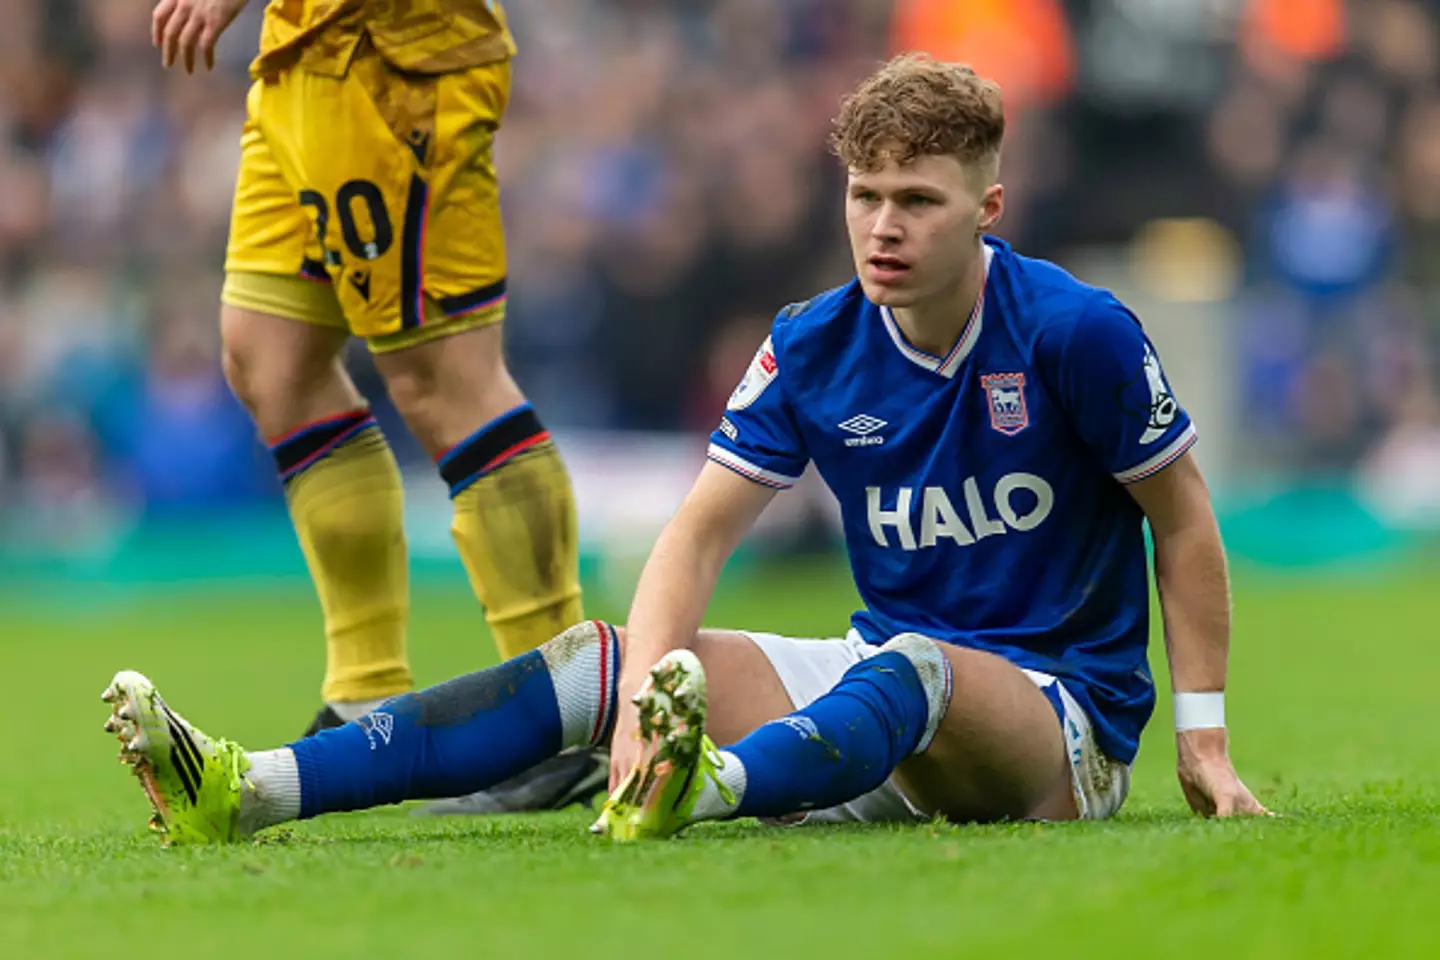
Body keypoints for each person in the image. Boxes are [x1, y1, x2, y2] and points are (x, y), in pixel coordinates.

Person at [101, 54, 1267, 846]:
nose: (883, 226)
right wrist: (640, 695)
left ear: (989, 207)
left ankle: (709, 787)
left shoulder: (1077, 332)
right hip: (871, 689)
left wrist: (1202, 741)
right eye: (865, 196)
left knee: (916, 664)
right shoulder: (813, 342)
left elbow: (1186, 519)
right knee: (599, 657)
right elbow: (699, 528)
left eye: (917, 199)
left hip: (1061, 731)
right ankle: (249, 789)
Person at [146, 0, 605, 812]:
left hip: (396, 55)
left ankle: (565, 715)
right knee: (271, 362)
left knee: (444, 378)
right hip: (301, 55)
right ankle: (364, 690)